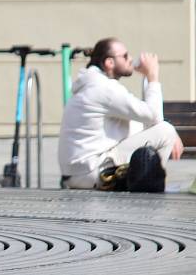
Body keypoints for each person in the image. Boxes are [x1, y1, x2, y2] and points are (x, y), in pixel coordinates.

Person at [58, 37, 184, 189]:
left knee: (148, 126)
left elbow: (145, 119)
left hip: (78, 174)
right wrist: (152, 76)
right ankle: (150, 188)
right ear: (109, 63)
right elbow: (154, 115)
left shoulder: (91, 85)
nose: (130, 59)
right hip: (92, 172)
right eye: (125, 56)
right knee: (166, 131)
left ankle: (141, 182)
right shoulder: (104, 88)